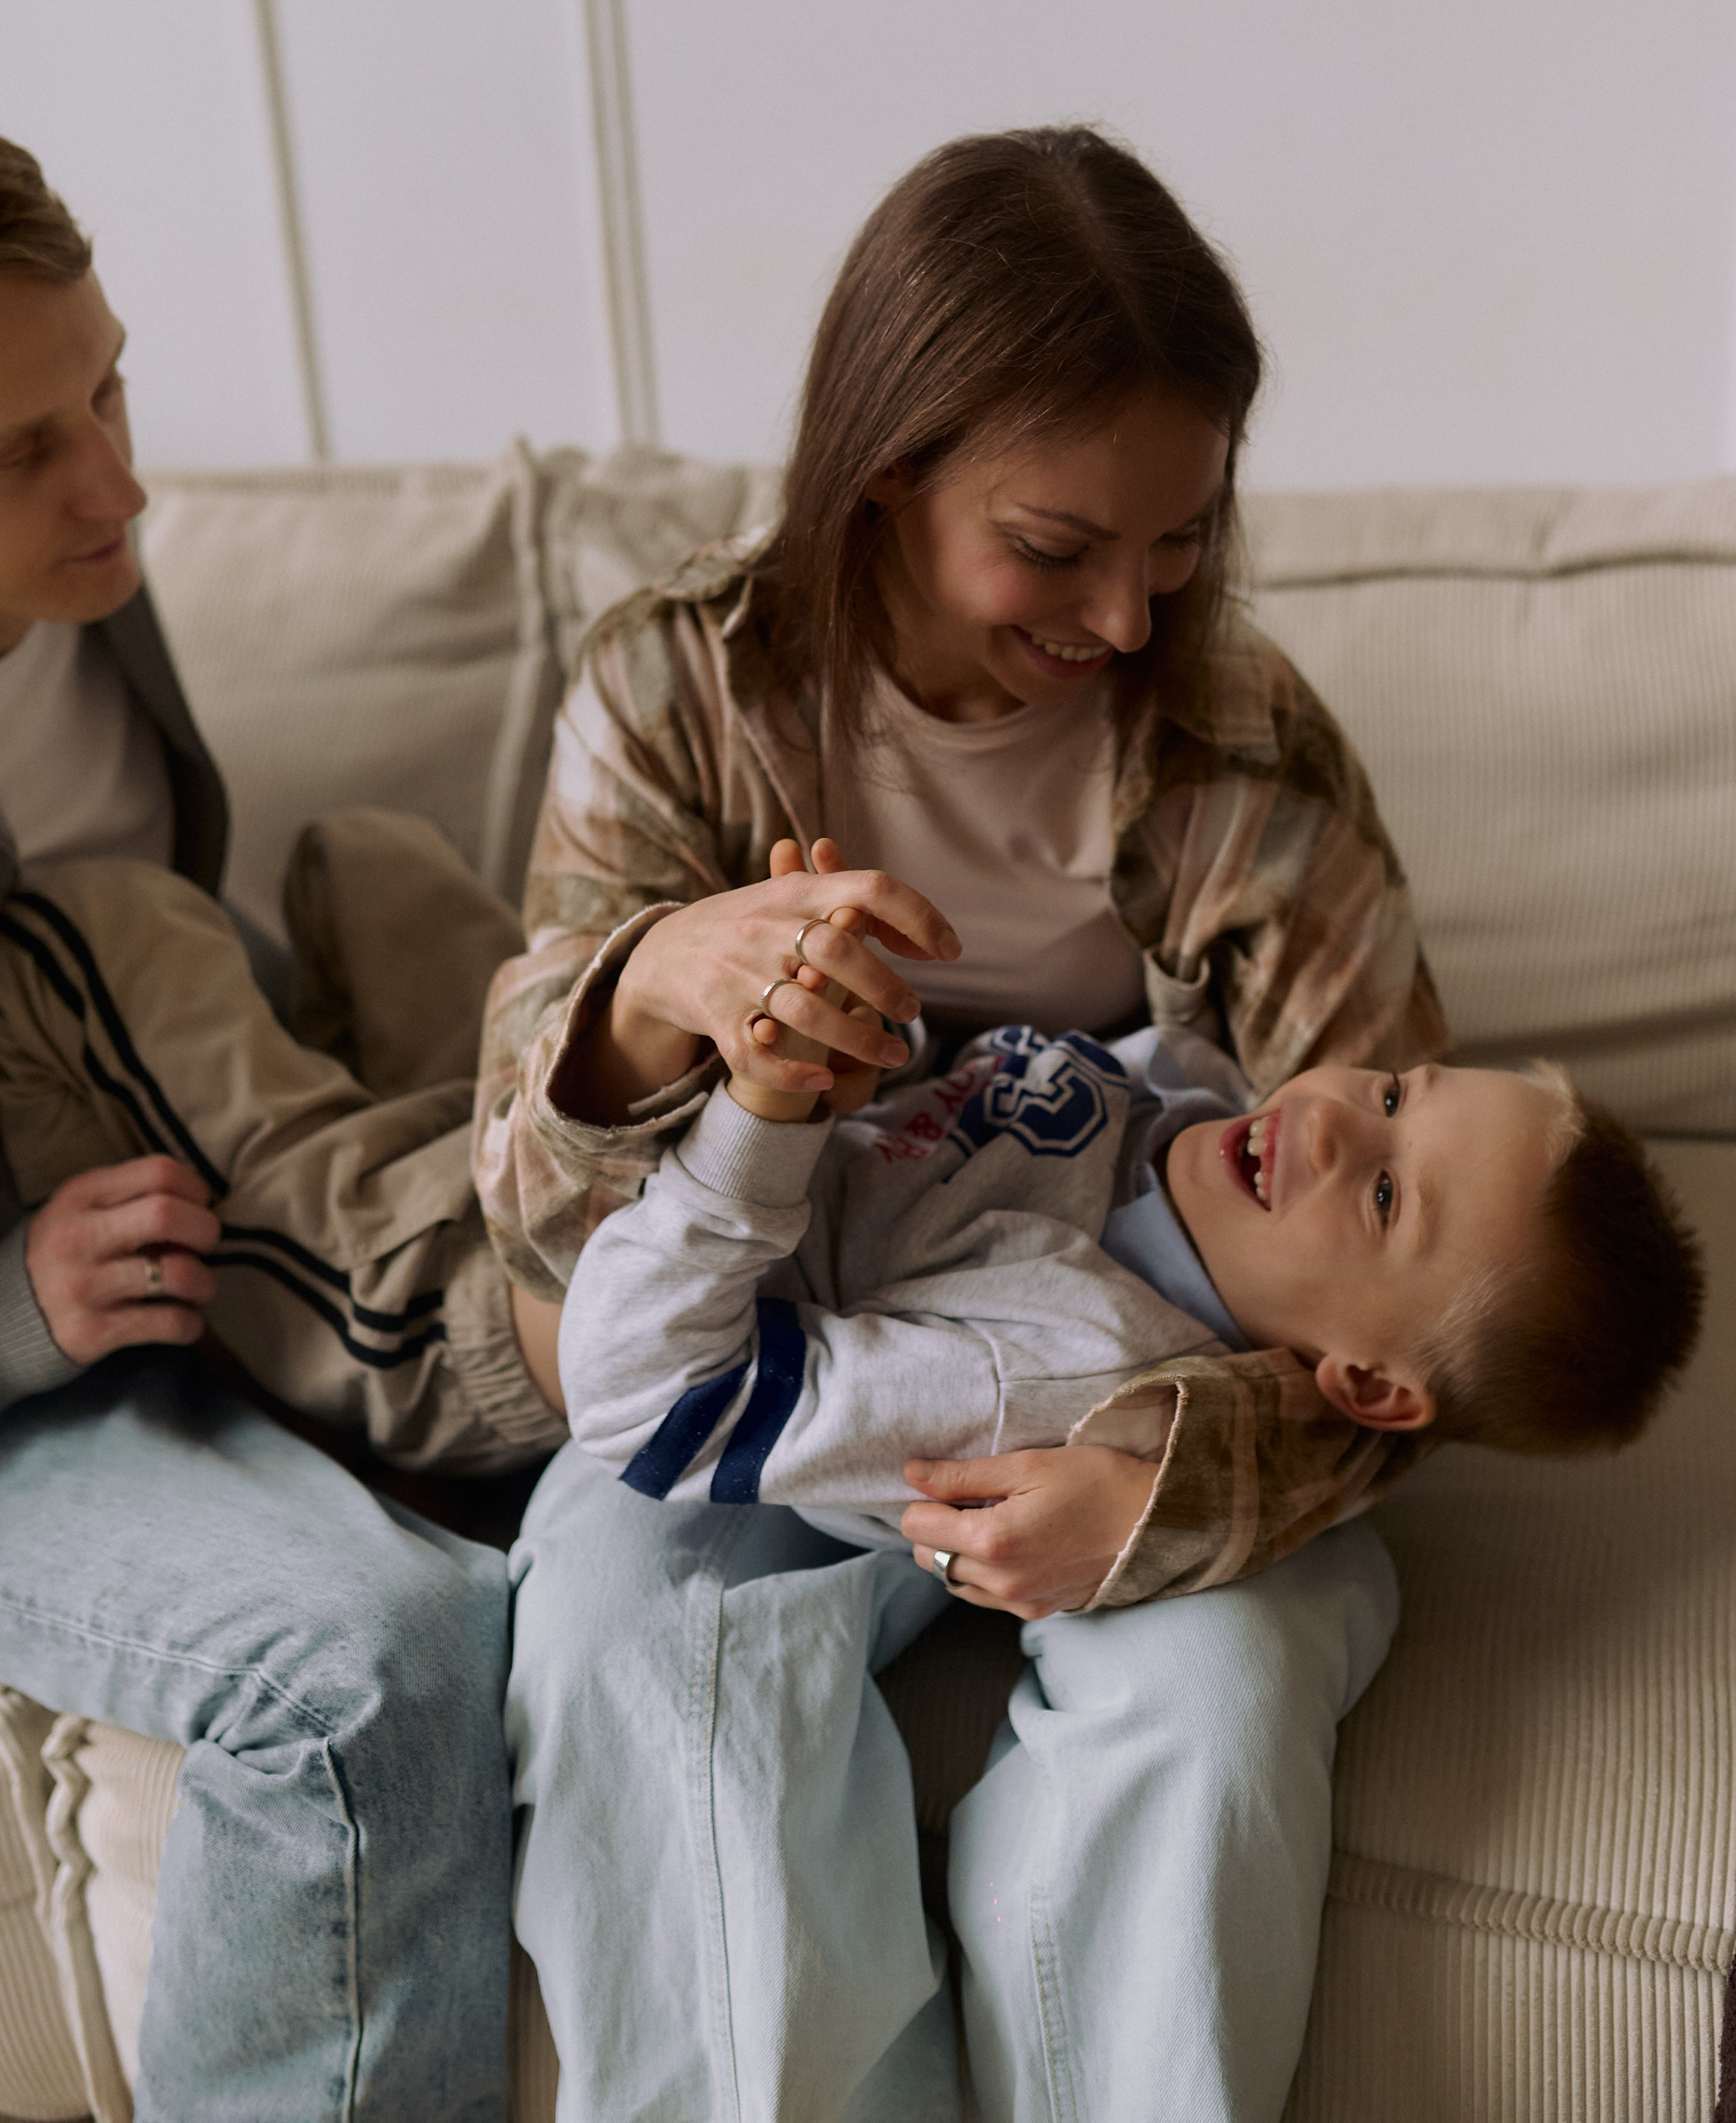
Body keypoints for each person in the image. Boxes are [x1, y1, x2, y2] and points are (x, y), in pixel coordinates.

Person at [492, 125, 1457, 2120]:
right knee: (623, 1641)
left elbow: (1420, 1269)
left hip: (1137, 1369)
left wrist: (1170, 1483)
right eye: (1056, 546)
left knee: (1223, 1689)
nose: (1125, 617)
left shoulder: (1241, 749)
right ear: (888, 475)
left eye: (1179, 541)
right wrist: (665, 979)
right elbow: (538, 1238)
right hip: (786, 1339)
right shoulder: (678, 693)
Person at [0, 137, 562, 2123]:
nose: (120, 483)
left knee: (609, 1522)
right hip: (35, 1378)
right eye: (25, 453)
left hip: (176, 1224)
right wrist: (20, 1300)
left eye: (113, 392)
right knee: (366, 1663)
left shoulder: (85, 607)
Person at [561, 1016, 1703, 1527]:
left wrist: (764, 1111)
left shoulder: (1065, 1374)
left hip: (621, 1273)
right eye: (1398, 1091)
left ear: (1366, 1383)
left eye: (1387, 1196)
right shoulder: (1190, 1088)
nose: (1335, 1122)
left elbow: (646, 1398)